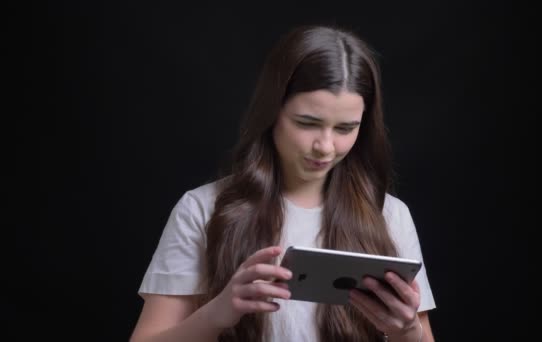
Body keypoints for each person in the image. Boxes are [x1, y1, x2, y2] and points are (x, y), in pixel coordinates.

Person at [130, 24, 436, 342]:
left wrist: (407, 330)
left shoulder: (389, 215)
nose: (325, 146)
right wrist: (216, 313)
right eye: (307, 123)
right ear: (272, 111)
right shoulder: (203, 209)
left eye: (345, 128)